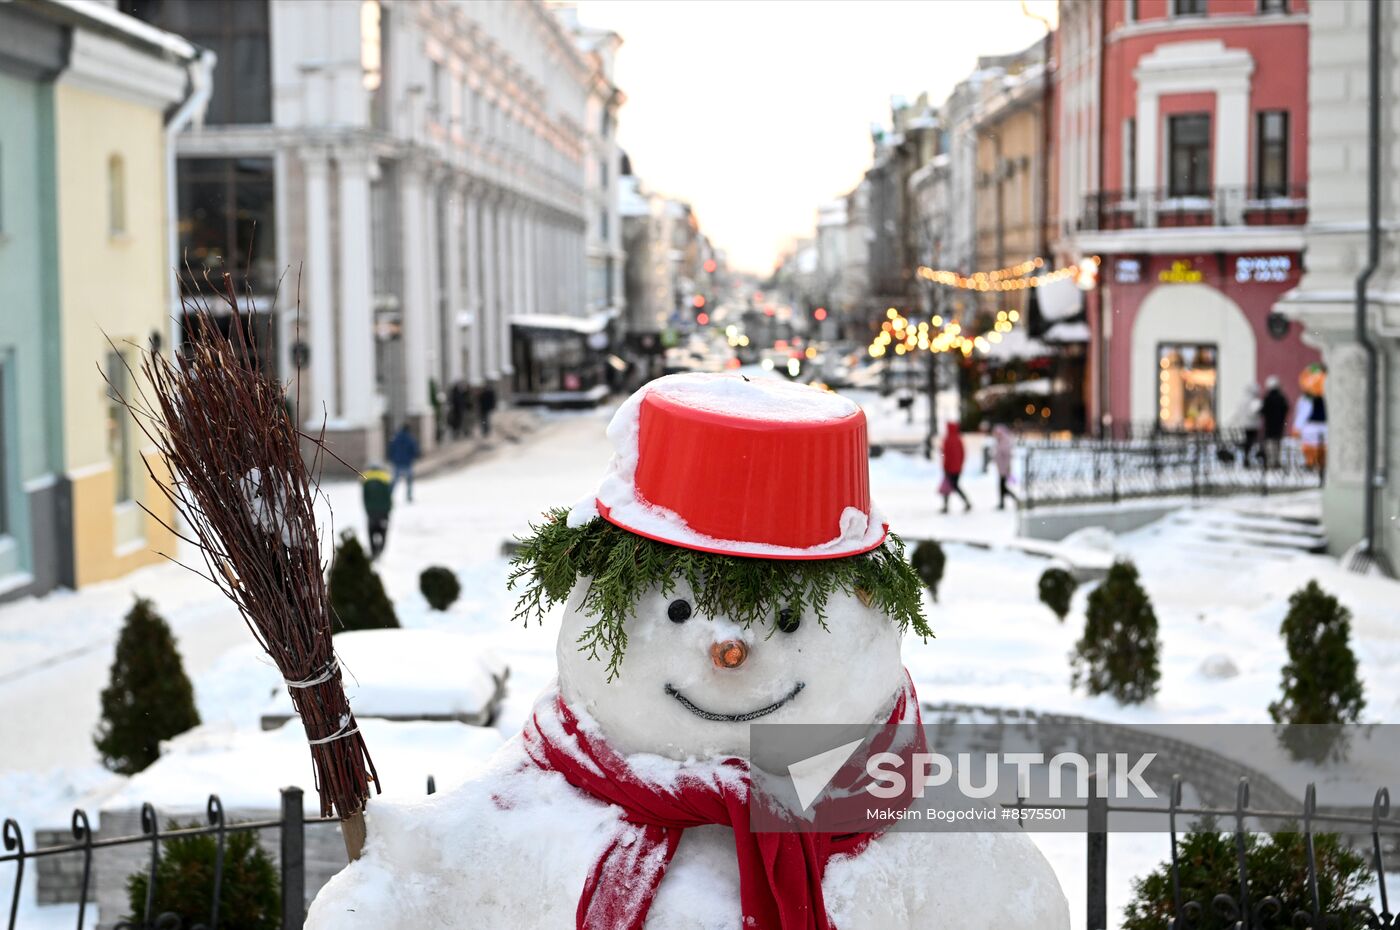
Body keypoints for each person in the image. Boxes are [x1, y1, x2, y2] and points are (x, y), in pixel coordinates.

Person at [361, 463, 393, 559]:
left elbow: (365, 497)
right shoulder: (385, 479)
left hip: (371, 511)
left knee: (371, 531)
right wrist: (388, 508)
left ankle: (373, 551)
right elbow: (388, 496)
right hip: (383, 511)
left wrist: (367, 509)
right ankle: (380, 549)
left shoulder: (366, 480)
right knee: (383, 531)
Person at [940, 422, 971, 514]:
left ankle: (947, 506)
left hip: (949, 468)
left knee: (949, 486)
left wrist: (945, 466)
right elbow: (963, 454)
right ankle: (965, 502)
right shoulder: (959, 439)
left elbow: (945, 455)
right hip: (958, 468)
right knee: (953, 486)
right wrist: (961, 464)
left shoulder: (947, 440)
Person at [1260, 376, 1290, 469]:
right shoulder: (1282, 398)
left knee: (1270, 444)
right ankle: (1276, 461)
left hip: (1269, 425)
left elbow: (1263, 411)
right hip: (1279, 424)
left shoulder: (1267, 398)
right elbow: (1286, 409)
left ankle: (1271, 462)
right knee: (1277, 444)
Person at [1229, 383, 1262, 467]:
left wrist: (1232, 422)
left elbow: (1237, 413)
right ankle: (1247, 459)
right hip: (1252, 425)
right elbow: (1253, 413)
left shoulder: (1242, 400)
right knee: (1250, 442)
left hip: (1244, 425)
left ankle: (1246, 458)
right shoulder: (1254, 401)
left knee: (1247, 442)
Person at [388, 424, 421, 502]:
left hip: (397, 463)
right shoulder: (410, 439)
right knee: (409, 481)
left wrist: (392, 458)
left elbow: (391, 449)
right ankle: (409, 496)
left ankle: (388, 495)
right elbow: (415, 450)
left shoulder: (395, 438)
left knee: (394, 481)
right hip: (407, 463)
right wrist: (414, 457)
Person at [992, 423, 1018, 510]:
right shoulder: (999, 441)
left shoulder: (1004, 441)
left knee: (1002, 487)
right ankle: (1002, 503)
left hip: (1004, 469)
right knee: (1002, 487)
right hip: (1001, 468)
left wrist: (1007, 468)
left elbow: (1007, 456)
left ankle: (1015, 499)